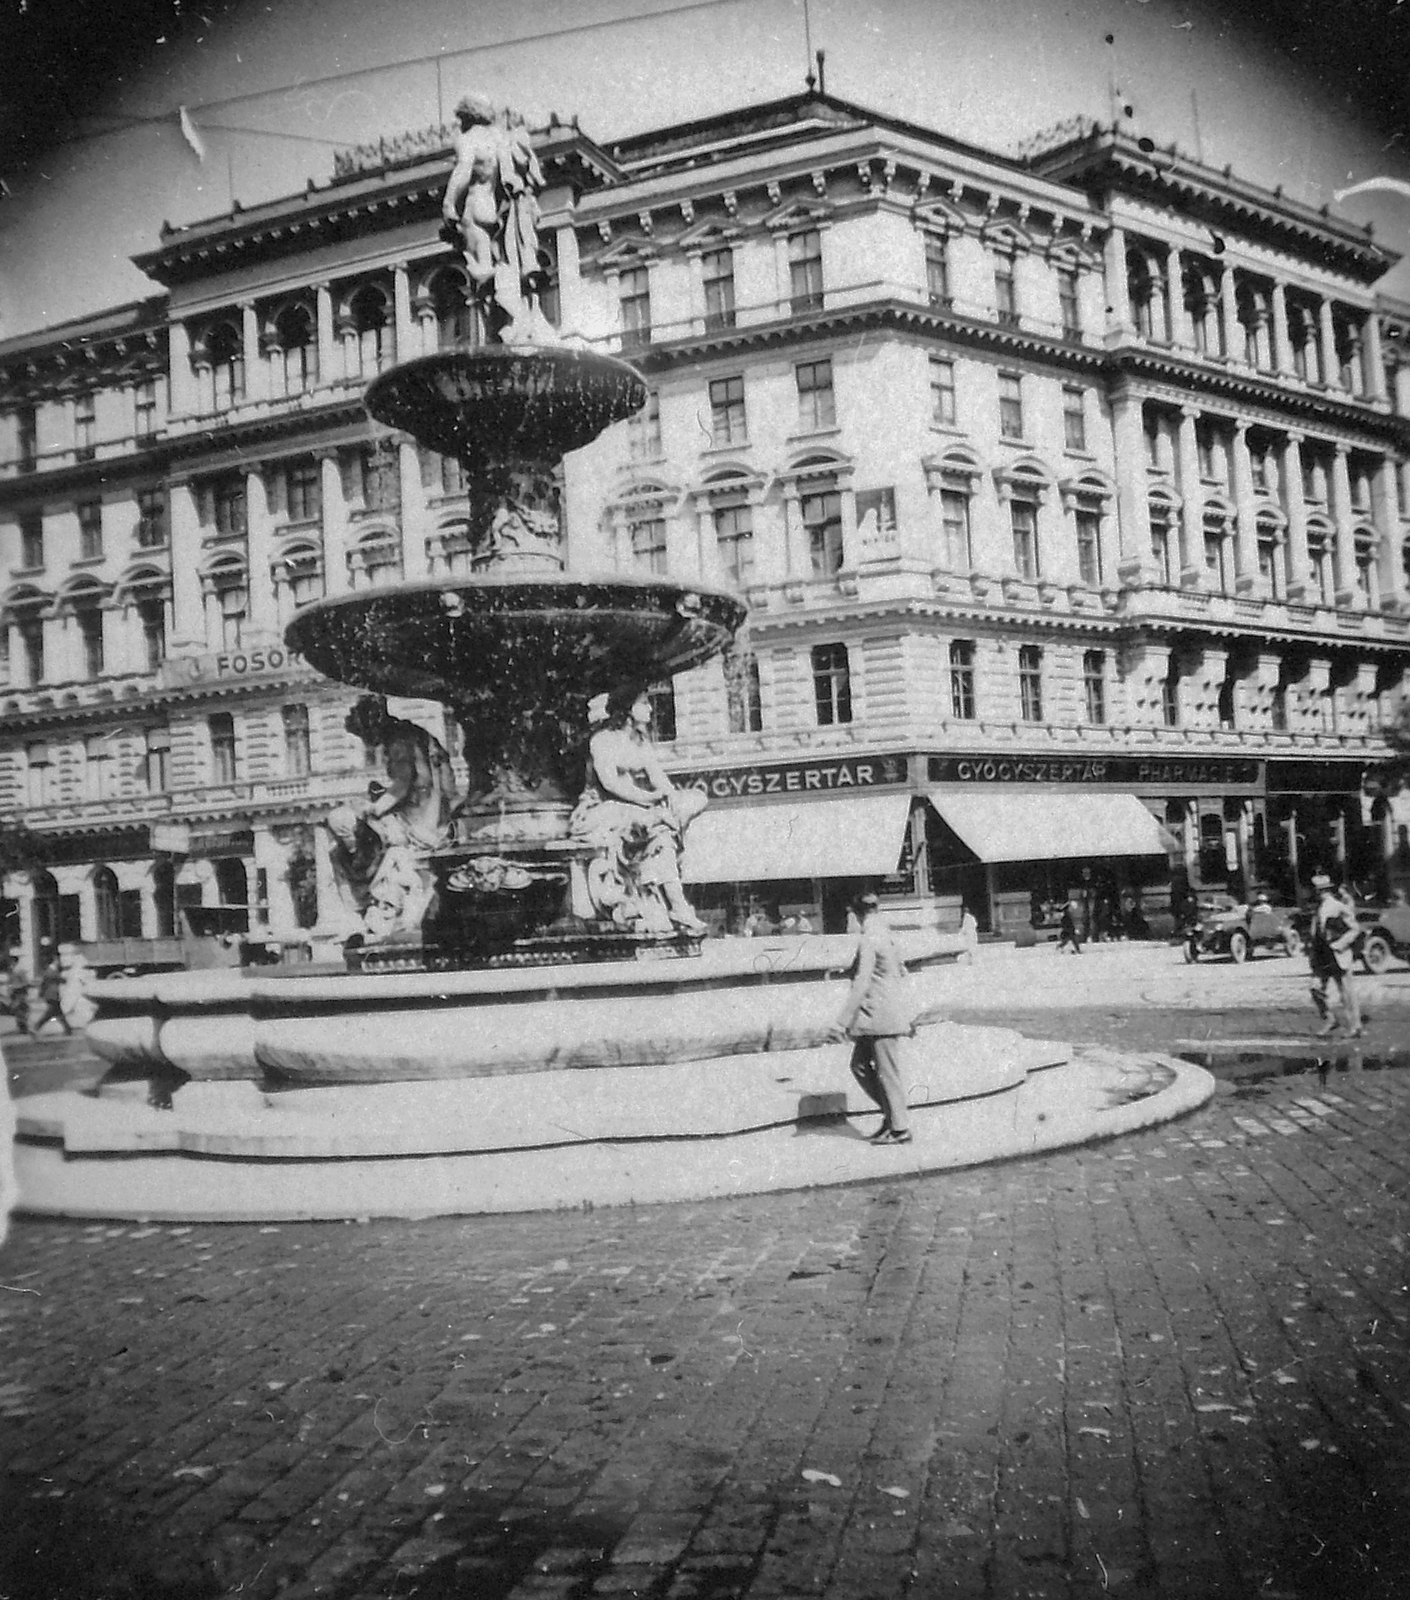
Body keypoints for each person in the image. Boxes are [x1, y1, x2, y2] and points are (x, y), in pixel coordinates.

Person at [569, 688, 708, 935]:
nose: (651, 708)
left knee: (694, 800)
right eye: (644, 703)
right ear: (628, 709)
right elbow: (611, 784)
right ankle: (676, 905)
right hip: (599, 810)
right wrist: (650, 799)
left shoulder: (641, 743)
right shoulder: (603, 740)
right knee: (657, 828)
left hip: (631, 808)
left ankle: (671, 902)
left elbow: (660, 780)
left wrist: (673, 801)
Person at [830, 892, 917, 1147]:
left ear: (856, 915)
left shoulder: (869, 939)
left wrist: (842, 1021)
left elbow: (863, 981)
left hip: (881, 1016)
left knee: (887, 1073)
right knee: (860, 1065)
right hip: (880, 1015)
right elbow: (898, 970)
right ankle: (892, 1117)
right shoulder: (887, 935)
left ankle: (900, 1128)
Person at [1309, 871, 1362, 1038]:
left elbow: (1354, 928)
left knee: (1346, 992)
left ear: (1325, 891)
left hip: (1338, 954)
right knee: (1315, 988)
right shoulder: (1317, 909)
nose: (1318, 893)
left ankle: (1355, 1026)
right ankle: (1331, 1019)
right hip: (1322, 956)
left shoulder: (1338, 906)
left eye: (1320, 890)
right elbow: (1316, 933)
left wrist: (1340, 944)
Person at [32, 946, 72, 1036]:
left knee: (58, 1012)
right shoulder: (51, 971)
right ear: (54, 961)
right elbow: (57, 979)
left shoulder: (51, 971)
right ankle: (36, 1027)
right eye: (57, 960)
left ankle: (68, 1029)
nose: (59, 961)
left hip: (53, 995)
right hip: (51, 995)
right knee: (50, 1013)